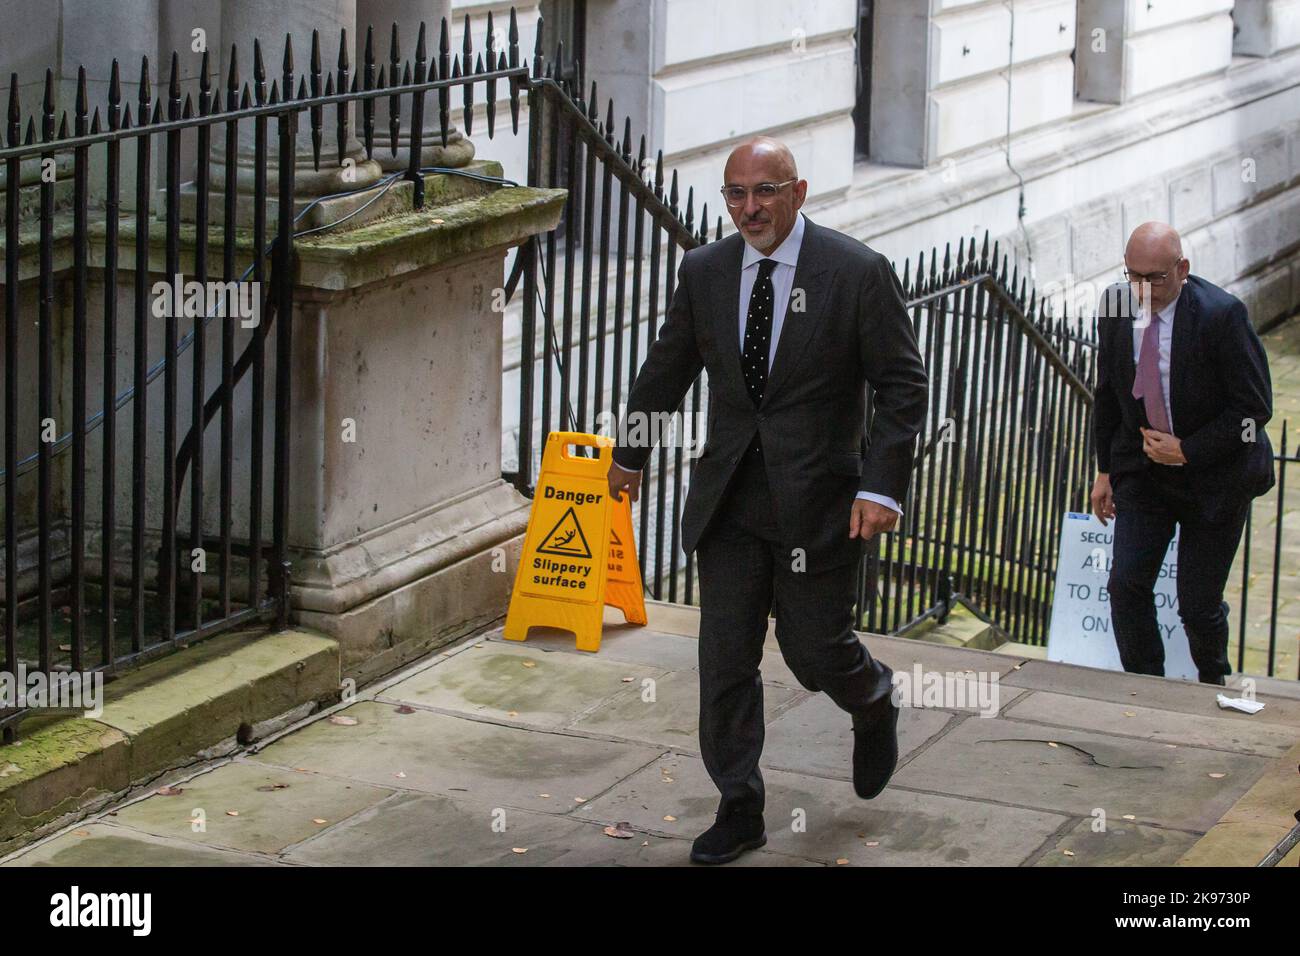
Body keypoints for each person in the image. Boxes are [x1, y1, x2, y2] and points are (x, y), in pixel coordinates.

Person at [606, 136, 928, 864]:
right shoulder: (706, 271)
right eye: (736, 194)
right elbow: (667, 370)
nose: (749, 208)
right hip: (730, 501)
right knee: (725, 660)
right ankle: (739, 805)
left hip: (818, 502)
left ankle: (871, 698)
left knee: (815, 653)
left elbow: (903, 386)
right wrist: (629, 453)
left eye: (765, 191)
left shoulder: (855, 274)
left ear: (798, 192)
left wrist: (882, 486)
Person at [1090, 221, 1274, 685]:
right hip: (1145, 473)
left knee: (1197, 605)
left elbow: (1254, 410)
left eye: (1154, 278)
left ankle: (1214, 681)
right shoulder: (1116, 305)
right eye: (1133, 275)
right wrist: (1105, 469)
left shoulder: (1221, 315)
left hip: (1216, 477)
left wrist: (1188, 451)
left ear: (1182, 269)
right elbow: (1108, 392)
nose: (1142, 289)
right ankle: (1147, 686)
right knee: (1126, 585)